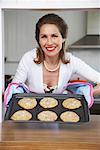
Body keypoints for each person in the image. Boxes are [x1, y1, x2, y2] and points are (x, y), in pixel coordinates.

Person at [12, 13, 100, 95]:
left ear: (63, 38)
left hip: (59, 111)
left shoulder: (71, 61)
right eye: (44, 37)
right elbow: (13, 89)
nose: (49, 42)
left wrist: (82, 94)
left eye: (54, 36)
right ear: (38, 40)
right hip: (31, 110)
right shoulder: (28, 58)